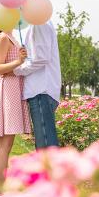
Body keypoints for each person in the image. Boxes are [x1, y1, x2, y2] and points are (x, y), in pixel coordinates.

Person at [0, 28, 31, 195]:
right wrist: (19, 61)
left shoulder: (12, 36)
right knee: (3, 145)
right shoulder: (3, 37)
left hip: (13, 90)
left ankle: (1, 190)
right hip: (7, 91)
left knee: (7, 144)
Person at [14, 20, 61, 149]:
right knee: (44, 144)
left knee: (45, 147)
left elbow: (41, 58)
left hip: (41, 90)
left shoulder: (39, 22)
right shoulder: (40, 22)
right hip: (42, 91)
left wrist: (17, 70)